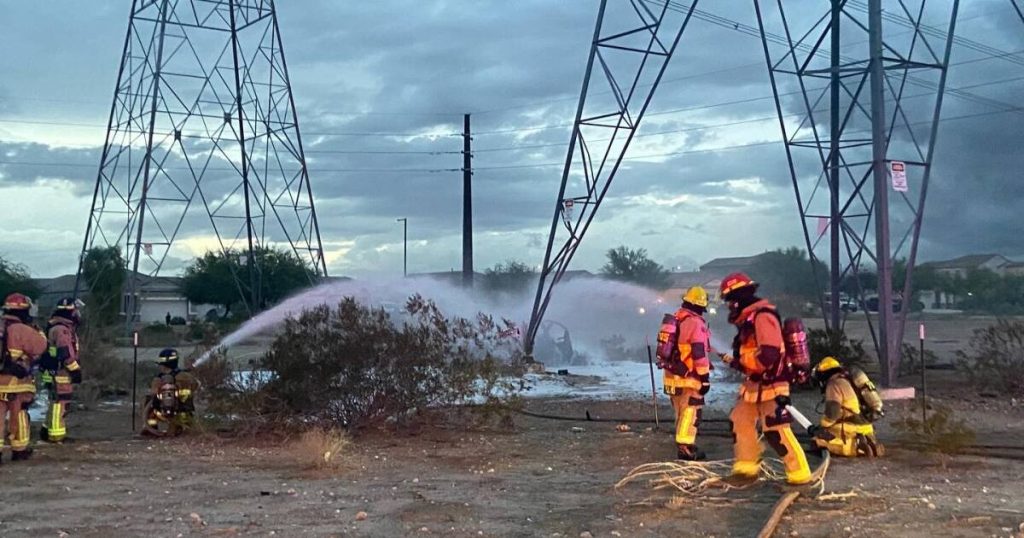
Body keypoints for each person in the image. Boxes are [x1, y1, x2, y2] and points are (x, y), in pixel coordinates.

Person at [718, 273, 812, 486]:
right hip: (754, 385)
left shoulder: (763, 316)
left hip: (772, 383)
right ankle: (745, 470)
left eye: (729, 301)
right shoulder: (748, 320)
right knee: (740, 421)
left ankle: (800, 476)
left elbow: (769, 354)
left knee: (775, 429)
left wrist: (746, 362)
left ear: (737, 298)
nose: (729, 306)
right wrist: (740, 363)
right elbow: (752, 355)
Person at [657, 286, 713, 460]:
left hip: (672, 377)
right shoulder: (696, 323)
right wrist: (704, 378)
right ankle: (686, 448)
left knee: (680, 412)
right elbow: (698, 353)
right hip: (689, 379)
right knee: (692, 412)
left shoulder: (676, 319)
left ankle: (683, 443)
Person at [0, 293, 48, 462]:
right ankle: (19, 450)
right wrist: (37, 330)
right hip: (16, 383)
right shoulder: (22, 329)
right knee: (19, 413)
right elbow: (41, 347)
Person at [810, 357, 885, 457]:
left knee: (817, 441)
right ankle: (868, 441)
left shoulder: (834, 384)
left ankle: (856, 447)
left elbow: (833, 414)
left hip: (850, 429)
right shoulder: (849, 380)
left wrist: (821, 426)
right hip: (866, 428)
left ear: (823, 374)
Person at [40, 297, 84, 443]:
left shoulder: (59, 327)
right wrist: (75, 370)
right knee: (60, 403)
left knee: (55, 402)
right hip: (60, 373)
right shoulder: (62, 330)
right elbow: (65, 354)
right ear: (70, 312)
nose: (78, 314)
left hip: (54, 372)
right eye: (75, 311)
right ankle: (56, 435)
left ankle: (47, 430)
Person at [142, 348, 198, 437]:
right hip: (183, 413)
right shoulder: (186, 376)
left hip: (161, 413)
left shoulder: (158, 379)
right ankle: (182, 427)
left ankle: (150, 427)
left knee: (147, 400)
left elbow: (153, 394)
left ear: (163, 365)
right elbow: (195, 386)